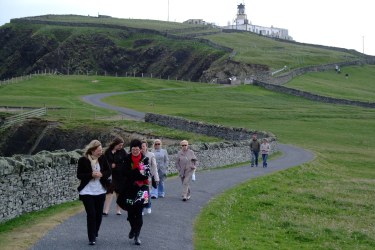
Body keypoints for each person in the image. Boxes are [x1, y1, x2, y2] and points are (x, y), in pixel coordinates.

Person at [116, 139, 150, 245]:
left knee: (139, 212)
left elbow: (146, 174)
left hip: (142, 188)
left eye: (137, 149)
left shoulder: (145, 159)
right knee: (131, 213)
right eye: (133, 149)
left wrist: (134, 173)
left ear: (140, 149)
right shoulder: (126, 158)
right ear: (131, 149)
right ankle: (133, 228)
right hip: (129, 189)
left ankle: (137, 236)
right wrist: (137, 172)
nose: (135, 151)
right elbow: (124, 173)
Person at [77, 140, 111, 246]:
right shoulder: (83, 160)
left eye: (101, 150)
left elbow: (108, 171)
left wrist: (101, 174)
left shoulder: (103, 158)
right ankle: (91, 238)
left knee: (98, 215)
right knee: (91, 214)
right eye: (98, 150)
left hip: (100, 190)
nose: (101, 152)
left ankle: (95, 231)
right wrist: (91, 175)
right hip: (87, 191)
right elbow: (79, 175)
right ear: (92, 150)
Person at [102, 137, 127, 216]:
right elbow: (104, 162)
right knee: (109, 192)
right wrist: (110, 165)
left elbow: (126, 162)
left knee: (118, 193)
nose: (121, 147)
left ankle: (118, 210)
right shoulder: (107, 152)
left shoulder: (122, 152)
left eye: (122, 145)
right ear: (115, 144)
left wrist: (116, 165)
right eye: (120, 145)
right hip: (110, 175)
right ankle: (106, 210)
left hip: (120, 175)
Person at [141, 140, 159, 214]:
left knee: (146, 193)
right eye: (141, 146)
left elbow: (154, 166)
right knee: (140, 193)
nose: (142, 148)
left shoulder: (151, 155)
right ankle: (142, 208)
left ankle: (148, 206)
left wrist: (155, 177)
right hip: (138, 178)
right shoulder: (137, 155)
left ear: (146, 147)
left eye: (143, 146)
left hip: (148, 178)